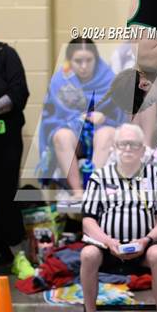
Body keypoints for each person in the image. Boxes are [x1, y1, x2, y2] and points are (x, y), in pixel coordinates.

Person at [77, 123, 157, 312]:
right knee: (88, 254)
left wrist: (146, 240)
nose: (128, 149)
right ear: (114, 148)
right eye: (123, 144)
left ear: (142, 149)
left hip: (144, 248)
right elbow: (88, 220)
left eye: (133, 144)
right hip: (107, 248)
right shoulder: (99, 178)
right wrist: (108, 241)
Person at [38, 38, 125, 196]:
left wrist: (104, 117)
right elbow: (50, 118)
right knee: (61, 136)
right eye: (78, 61)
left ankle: (93, 189)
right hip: (73, 138)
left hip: (100, 134)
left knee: (107, 134)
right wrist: (77, 119)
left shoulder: (109, 79)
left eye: (88, 60)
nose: (84, 66)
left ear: (96, 59)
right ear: (69, 61)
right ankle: (77, 191)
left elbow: (121, 115)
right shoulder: (60, 81)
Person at [0, 16, 33, 278]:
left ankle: (19, 256)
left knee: (6, 196)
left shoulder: (6, 55)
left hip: (5, 141)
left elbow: (19, 93)